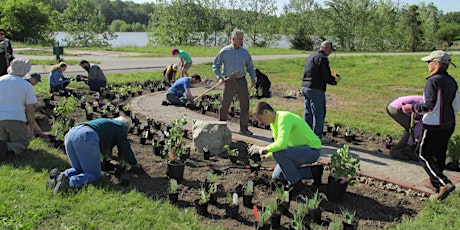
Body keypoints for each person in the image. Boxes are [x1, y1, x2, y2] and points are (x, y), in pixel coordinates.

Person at [401, 50, 459, 200]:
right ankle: (437, 184)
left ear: (437, 64)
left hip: (434, 124)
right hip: (449, 123)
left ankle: (443, 182)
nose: (427, 65)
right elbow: (456, 104)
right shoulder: (452, 81)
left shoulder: (432, 81)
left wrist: (411, 108)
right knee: (439, 154)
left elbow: (429, 106)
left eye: (429, 62)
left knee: (422, 153)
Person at [248, 102, 322, 197]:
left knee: (278, 154)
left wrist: (262, 149)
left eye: (260, 118)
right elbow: (279, 146)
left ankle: (296, 184)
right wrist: (266, 157)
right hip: (298, 151)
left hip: (311, 150)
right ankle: (313, 172)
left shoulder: (284, 118)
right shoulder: (273, 124)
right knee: (278, 176)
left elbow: (281, 145)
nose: (260, 122)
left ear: (266, 112)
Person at [52, 117, 139, 195]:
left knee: (78, 169)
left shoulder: (107, 124)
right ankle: (69, 183)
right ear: (126, 128)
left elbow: (105, 147)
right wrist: (133, 163)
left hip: (71, 134)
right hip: (86, 136)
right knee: (93, 174)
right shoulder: (120, 128)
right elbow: (125, 148)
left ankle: (59, 176)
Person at [0, 59, 46, 161]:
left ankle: (4, 147)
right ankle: (6, 148)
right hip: (16, 118)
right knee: (22, 143)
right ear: (24, 72)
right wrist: (31, 127)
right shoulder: (26, 85)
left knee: (4, 139)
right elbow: (30, 110)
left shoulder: (0, 80)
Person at [213, 28, 256, 136]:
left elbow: (250, 67)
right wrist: (219, 77)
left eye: (242, 39)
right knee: (225, 104)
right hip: (229, 81)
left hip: (242, 81)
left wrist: (253, 80)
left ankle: (244, 129)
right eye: (240, 39)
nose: (242, 41)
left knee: (245, 104)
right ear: (233, 39)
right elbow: (215, 64)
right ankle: (222, 127)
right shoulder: (224, 51)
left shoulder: (245, 52)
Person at [302, 40, 340, 144]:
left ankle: (306, 134)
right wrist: (334, 81)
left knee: (308, 112)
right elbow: (325, 76)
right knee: (319, 113)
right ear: (325, 48)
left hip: (305, 86)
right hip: (316, 88)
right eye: (330, 50)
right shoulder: (322, 59)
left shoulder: (311, 56)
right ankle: (317, 136)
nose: (330, 52)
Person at [386, 95, 424, 161]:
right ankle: (397, 151)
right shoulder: (429, 109)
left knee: (412, 128)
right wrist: (410, 144)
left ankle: (404, 149)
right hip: (396, 107)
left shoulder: (430, 103)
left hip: (393, 105)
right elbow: (416, 129)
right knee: (411, 129)